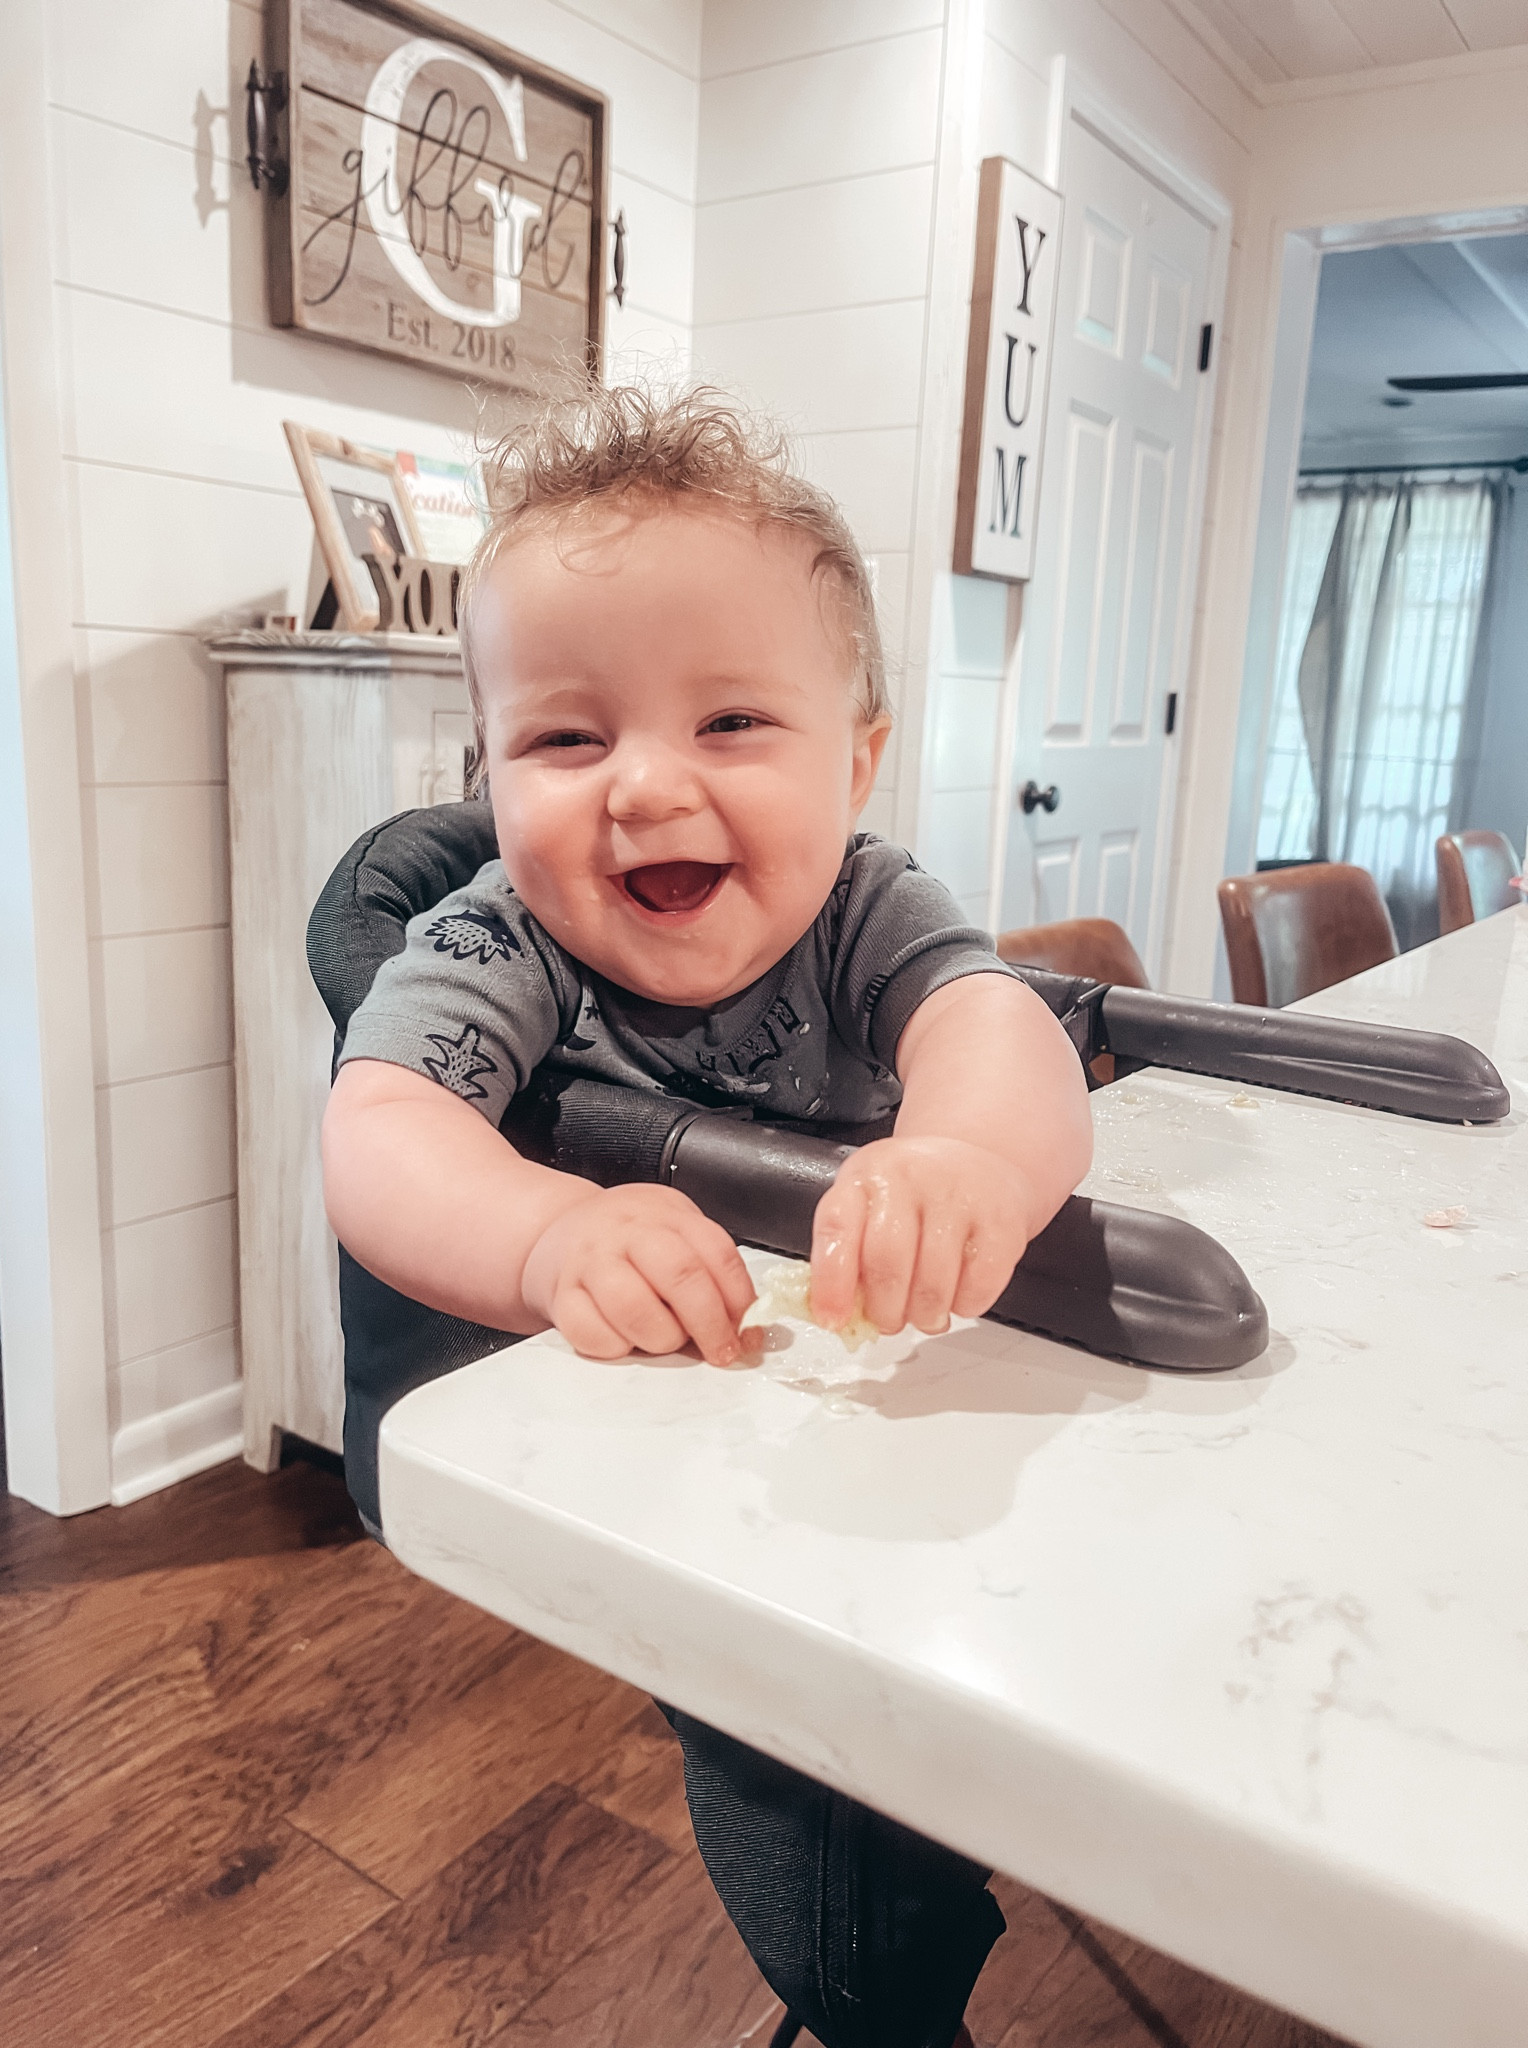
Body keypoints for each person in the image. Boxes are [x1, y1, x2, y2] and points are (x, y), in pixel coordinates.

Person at [321, 383, 1094, 2048]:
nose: (645, 788)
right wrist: (540, 1232)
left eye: (733, 724)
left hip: (881, 1386)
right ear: (488, 768)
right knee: (788, 1768)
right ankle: (879, 1991)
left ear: (859, 759)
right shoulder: (496, 940)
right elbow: (381, 1128)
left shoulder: (872, 907)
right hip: (670, 1449)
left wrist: (966, 1159)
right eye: (565, 737)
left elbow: (1000, 1035)